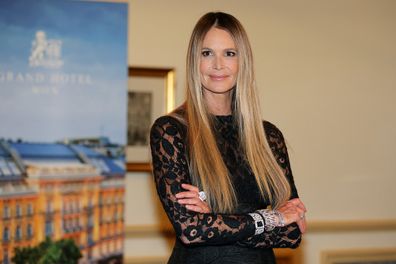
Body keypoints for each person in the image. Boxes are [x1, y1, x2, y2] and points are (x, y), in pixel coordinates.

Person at [150, 11, 307, 264]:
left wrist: (215, 219)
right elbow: (192, 230)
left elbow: (291, 233)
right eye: (207, 53)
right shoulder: (170, 131)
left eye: (229, 54)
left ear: (242, 61)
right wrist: (271, 218)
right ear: (194, 61)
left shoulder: (269, 136)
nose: (218, 65)